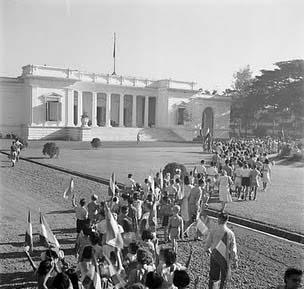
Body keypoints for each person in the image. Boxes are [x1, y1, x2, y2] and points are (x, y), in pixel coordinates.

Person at [205, 213, 238, 289]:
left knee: (213, 276)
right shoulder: (230, 233)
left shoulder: (213, 230)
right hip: (225, 257)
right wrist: (235, 259)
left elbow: (208, 242)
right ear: (227, 220)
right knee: (224, 278)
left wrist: (207, 249)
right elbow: (233, 248)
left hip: (215, 254)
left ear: (218, 219)